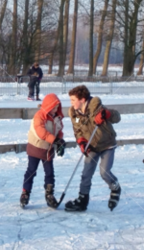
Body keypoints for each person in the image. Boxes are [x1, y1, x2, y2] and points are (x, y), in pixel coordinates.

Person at [64, 85, 122, 213]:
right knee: (86, 174)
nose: (71, 103)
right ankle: (82, 199)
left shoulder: (96, 107)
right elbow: (77, 130)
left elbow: (117, 117)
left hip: (107, 144)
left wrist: (106, 114)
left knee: (104, 172)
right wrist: (82, 142)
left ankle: (115, 187)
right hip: (92, 146)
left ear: (82, 99)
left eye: (73, 100)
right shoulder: (74, 113)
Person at [21, 93, 65, 209]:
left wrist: (60, 141)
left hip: (48, 150)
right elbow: (40, 132)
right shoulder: (39, 116)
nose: (56, 110)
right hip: (36, 148)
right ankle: (25, 192)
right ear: (48, 106)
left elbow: (59, 130)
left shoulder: (57, 118)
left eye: (57, 107)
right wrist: (54, 140)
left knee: (50, 173)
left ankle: (49, 194)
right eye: (54, 107)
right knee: (31, 171)